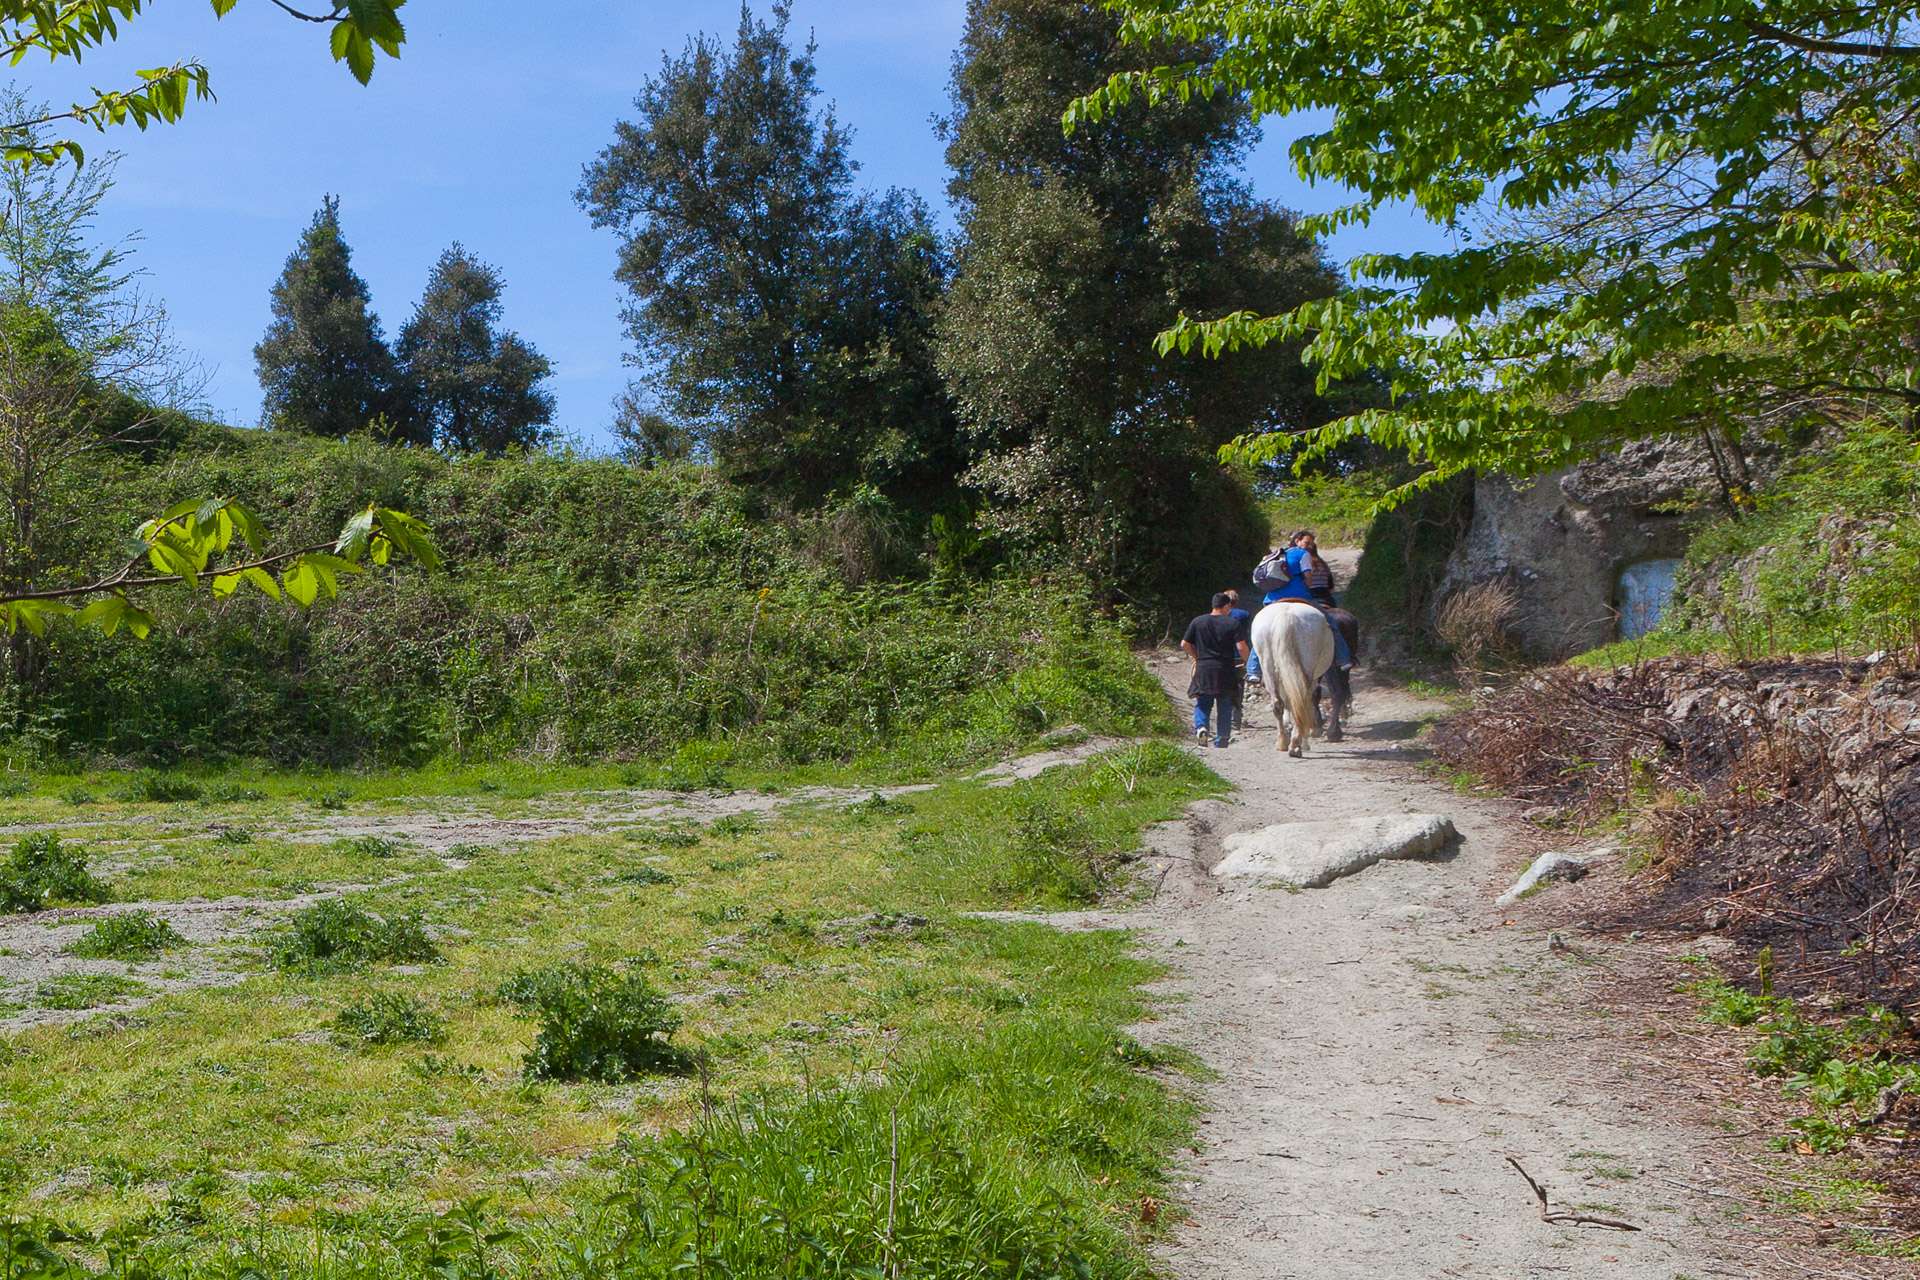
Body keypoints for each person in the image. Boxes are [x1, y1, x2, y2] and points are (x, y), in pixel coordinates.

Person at [1181, 592, 1248, 748]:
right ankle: (1222, 737)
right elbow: (1241, 647)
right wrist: (1247, 662)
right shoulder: (1232, 623)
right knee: (1225, 703)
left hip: (1204, 667)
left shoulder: (1198, 621)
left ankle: (1202, 727)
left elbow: (1184, 644)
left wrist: (1197, 657)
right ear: (1226, 606)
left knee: (1203, 702)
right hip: (1225, 668)